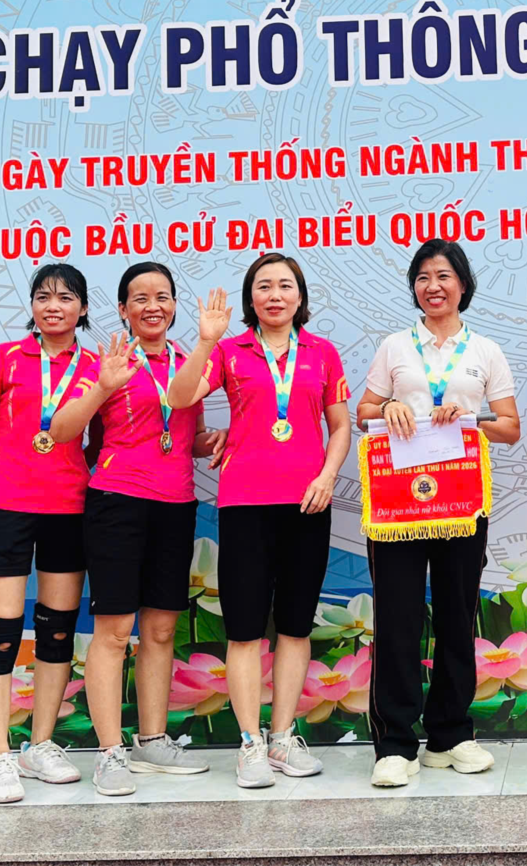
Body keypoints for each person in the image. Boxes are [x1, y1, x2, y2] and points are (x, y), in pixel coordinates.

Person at [167, 252, 352, 789]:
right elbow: (179, 397)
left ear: (300, 296)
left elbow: (340, 426)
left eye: (285, 285)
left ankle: (282, 737)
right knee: (246, 629)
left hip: (308, 504)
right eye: (264, 286)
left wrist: (327, 476)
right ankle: (249, 743)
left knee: (295, 626)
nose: (275, 295)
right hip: (245, 504)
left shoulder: (322, 353)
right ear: (251, 298)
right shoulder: (229, 351)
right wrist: (206, 340)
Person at [356, 240, 522, 788]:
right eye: (423, 277)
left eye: (444, 275)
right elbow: (362, 413)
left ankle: (450, 735)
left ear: (463, 285)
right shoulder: (395, 346)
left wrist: (471, 419)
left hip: (461, 501)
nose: (433, 286)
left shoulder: (485, 351)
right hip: (397, 503)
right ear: (414, 287)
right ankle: (395, 745)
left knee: (457, 616)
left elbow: (510, 427)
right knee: (398, 619)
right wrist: (388, 406)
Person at [0, 262, 115, 805]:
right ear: (31, 306)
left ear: (83, 308)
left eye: (66, 297)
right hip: (7, 505)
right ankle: (0, 755)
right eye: (43, 296)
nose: (54, 306)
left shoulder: (98, 366)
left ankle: (40, 744)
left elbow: (110, 438)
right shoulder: (6, 358)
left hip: (69, 506)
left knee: (56, 632)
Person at [64, 262, 219, 794]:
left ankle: (152, 740)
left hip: (175, 503)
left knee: (160, 630)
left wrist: (216, 440)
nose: (153, 306)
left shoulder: (188, 360)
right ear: (123, 309)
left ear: (174, 305)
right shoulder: (105, 361)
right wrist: (101, 387)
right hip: (117, 502)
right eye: (140, 298)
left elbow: (188, 433)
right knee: (113, 632)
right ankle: (110, 752)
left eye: (162, 296)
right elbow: (64, 430)